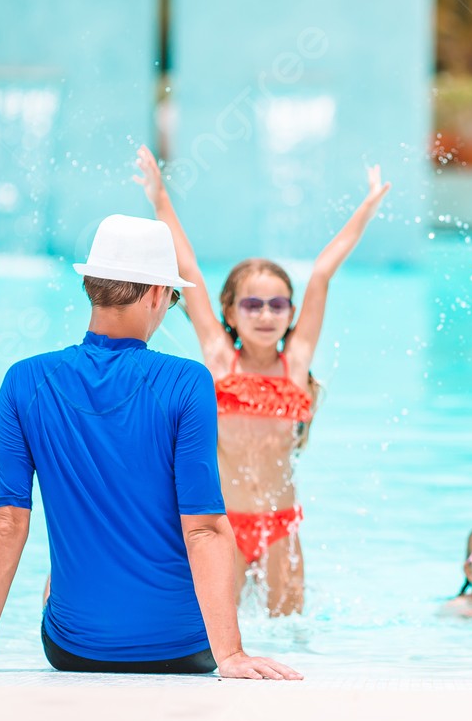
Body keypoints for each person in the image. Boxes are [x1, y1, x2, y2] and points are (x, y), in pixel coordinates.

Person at [0, 215, 301, 679]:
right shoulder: (188, 382)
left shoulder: (24, 380)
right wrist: (231, 656)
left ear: (90, 285)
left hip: (73, 651)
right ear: (157, 294)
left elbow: (5, 521)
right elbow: (203, 528)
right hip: (187, 648)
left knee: (56, 576)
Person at [134, 145, 390, 617]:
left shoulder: (294, 363)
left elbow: (322, 274)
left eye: (278, 305)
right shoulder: (218, 358)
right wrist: (159, 198)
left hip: (280, 526)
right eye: (253, 305)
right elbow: (187, 269)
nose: (267, 315)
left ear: (291, 312)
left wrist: (367, 208)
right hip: (222, 525)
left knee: (290, 633)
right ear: (230, 312)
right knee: (217, 633)